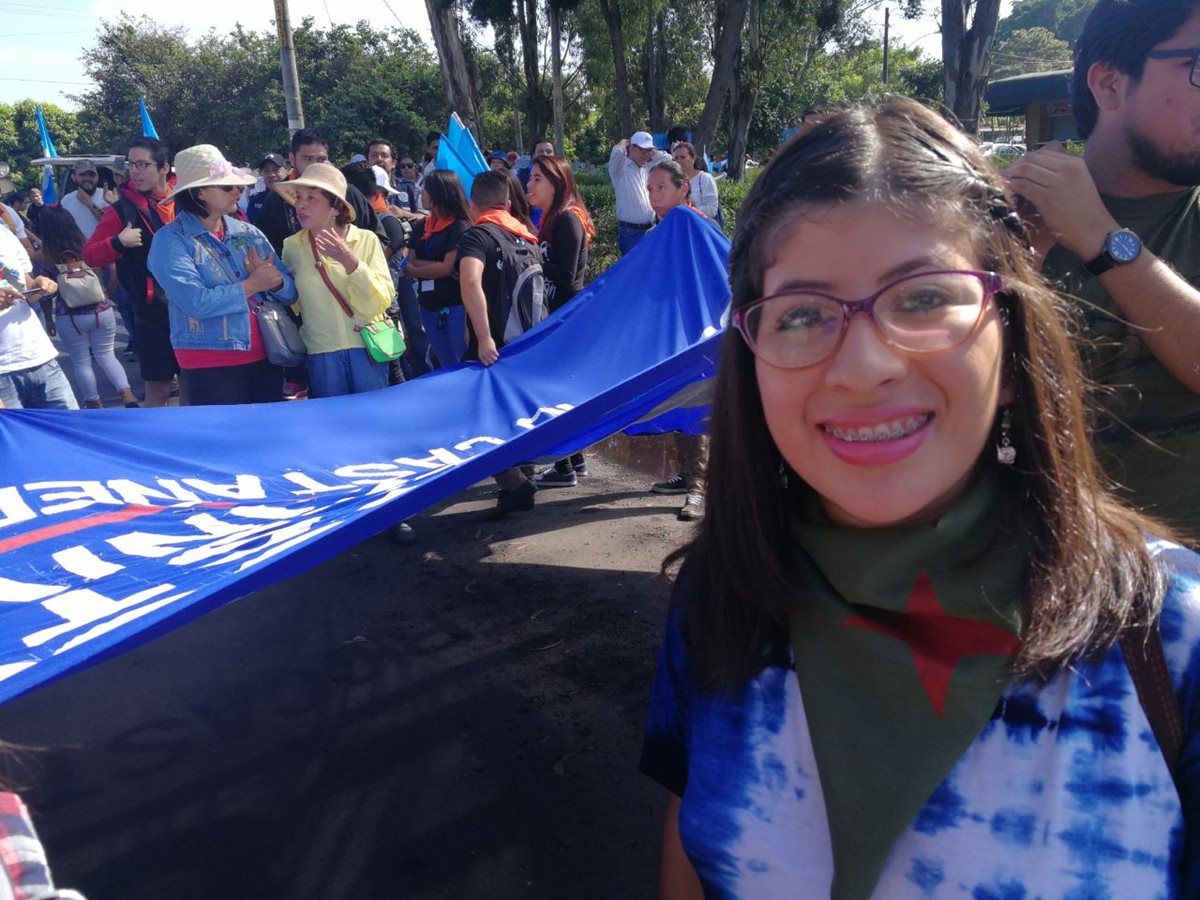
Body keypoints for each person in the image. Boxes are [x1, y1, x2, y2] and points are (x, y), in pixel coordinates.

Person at [641, 97, 1200, 898]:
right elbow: (688, 850)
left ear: (1012, 348)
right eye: (802, 314)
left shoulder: (1170, 639)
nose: (864, 367)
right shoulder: (721, 596)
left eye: (925, 298)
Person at [1005, 0, 1200, 542]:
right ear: (1110, 84)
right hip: (1050, 570)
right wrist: (1019, 258)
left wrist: (1103, 241)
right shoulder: (1013, 215)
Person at [146, 145, 296, 406]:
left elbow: (290, 291)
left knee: (266, 430)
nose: (237, 191)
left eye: (236, 185)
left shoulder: (248, 232)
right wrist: (253, 284)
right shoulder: (169, 240)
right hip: (208, 362)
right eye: (227, 186)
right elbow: (195, 302)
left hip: (267, 355)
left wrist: (277, 282)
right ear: (200, 192)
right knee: (226, 433)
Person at [457, 169, 545, 518]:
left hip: (491, 348)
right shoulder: (527, 236)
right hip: (526, 345)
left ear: (472, 204)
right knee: (518, 415)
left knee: (478, 419)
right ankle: (524, 478)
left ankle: (516, 483)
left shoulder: (477, 236)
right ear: (508, 203)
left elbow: (470, 281)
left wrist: (482, 337)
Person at [276, 163, 394, 398]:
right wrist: (274, 282)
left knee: (374, 416)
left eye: (311, 198)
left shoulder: (366, 239)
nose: (301, 205)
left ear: (337, 206)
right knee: (333, 419)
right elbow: (294, 302)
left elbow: (383, 299)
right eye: (298, 197)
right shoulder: (292, 246)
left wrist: (350, 262)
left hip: (368, 347)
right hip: (322, 353)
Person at [83, 137, 178, 408]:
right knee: (157, 389)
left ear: (164, 168)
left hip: (193, 307)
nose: (134, 171)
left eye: (142, 165)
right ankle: (154, 435)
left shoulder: (186, 199)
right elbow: (90, 254)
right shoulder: (121, 210)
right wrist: (118, 243)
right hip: (152, 312)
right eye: (131, 164)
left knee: (193, 383)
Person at [642, 159, 712, 521]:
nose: (654, 196)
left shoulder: (692, 223)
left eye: (661, 188)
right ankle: (688, 475)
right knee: (678, 405)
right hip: (671, 335)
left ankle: (699, 488)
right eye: (650, 189)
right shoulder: (663, 229)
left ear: (683, 189)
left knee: (695, 408)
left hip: (697, 337)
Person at [525, 154, 596, 489]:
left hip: (567, 319)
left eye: (537, 178)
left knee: (555, 393)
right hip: (558, 317)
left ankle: (565, 466)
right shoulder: (553, 218)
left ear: (557, 183)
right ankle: (573, 461)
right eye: (530, 178)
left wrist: (531, 255)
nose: (529, 184)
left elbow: (566, 277)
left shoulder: (568, 219)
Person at [38, 207, 139, 408]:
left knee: (81, 360)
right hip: (101, 310)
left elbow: (45, 294)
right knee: (107, 355)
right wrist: (108, 292)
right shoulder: (87, 247)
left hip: (70, 316)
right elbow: (112, 269)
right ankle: (127, 395)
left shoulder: (46, 257)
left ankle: (93, 402)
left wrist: (49, 319)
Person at [255, 128, 381, 257]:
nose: (315, 165)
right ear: (292, 159)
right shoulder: (276, 199)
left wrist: (351, 261)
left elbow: (379, 238)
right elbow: (266, 249)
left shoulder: (345, 192)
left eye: (321, 159)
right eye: (308, 159)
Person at [405, 170, 472, 369]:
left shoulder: (460, 227)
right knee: (444, 363)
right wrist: (434, 265)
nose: (422, 193)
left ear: (440, 192)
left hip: (454, 307)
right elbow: (408, 261)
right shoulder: (422, 226)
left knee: (462, 360)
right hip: (427, 306)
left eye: (426, 189)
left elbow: (446, 267)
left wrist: (417, 267)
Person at [0, 222, 70, 410]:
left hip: (40, 358)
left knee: (70, 426)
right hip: (3, 374)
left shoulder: (4, 233)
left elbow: (25, 284)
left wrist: (38, 286)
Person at [609, 131, 669, 255]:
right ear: (631, 147)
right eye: (642, 150)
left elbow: (668, 160)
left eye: (648, 150)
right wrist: (622, 144)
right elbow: (617, 154)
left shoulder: (648, 168)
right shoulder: (621, 169)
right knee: (634, 267)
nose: (645, 154)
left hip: (651, 228)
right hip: (630, 233)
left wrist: (654, 152)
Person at [367, 138, 422, 218]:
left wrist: (404, 214)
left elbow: (426, 217)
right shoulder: (359, 189)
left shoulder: (411, 187)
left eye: (384, 156)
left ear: (393, 163)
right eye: (374, 155)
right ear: (368, 161)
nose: (379, 159)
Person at [60, 160, 110, 240]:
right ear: (74, 177)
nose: (87, 178)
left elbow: (109, 223)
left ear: (97, 177)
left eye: (91, 175)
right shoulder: (66, 201)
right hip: (78, 247)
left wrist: (89, 203)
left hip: (103, 247)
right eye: (82, 175)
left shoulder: (108, 196)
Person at [671, 141, 719, 220]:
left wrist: (688, 210)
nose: (678, 161)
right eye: (676, 158)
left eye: (683, 157)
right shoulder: (673, 181)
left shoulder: (705, 178)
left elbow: (712, 210)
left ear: (693, 158)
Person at [246, 153, 288, 224]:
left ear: (286, 171)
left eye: (275, 170)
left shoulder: (296, 198)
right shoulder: (256, 200)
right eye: (266, 171)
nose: (271, 175)